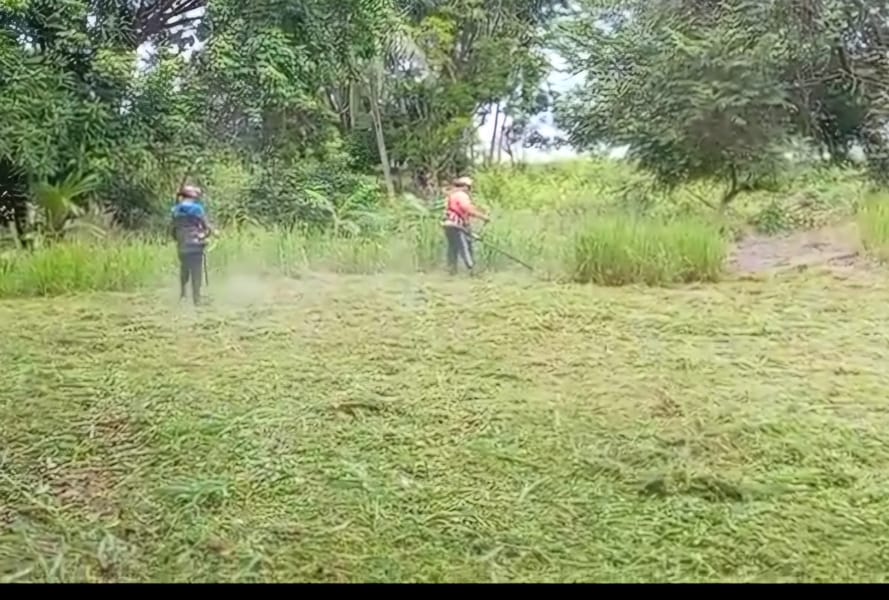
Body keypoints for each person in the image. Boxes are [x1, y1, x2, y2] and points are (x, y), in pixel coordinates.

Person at [171, 185, 212, 305]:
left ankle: (183, 294)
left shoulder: (175, 210)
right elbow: (206, 227)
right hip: (196, 244)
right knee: (196, 271)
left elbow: (172, 230)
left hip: (182, 245)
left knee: (184, 268)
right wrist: (207, 235)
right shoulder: (197, 209)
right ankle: (196, 299)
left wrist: (178, 239)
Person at [442, 176, 489, 275]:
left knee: (453, 248)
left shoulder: (452, 195)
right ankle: (471, 269)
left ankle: (451, 269)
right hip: (456, 225)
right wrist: (483, 217)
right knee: (464, 247)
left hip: (448, 224)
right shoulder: (461, 195)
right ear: (466, 186)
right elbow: (467, 208)